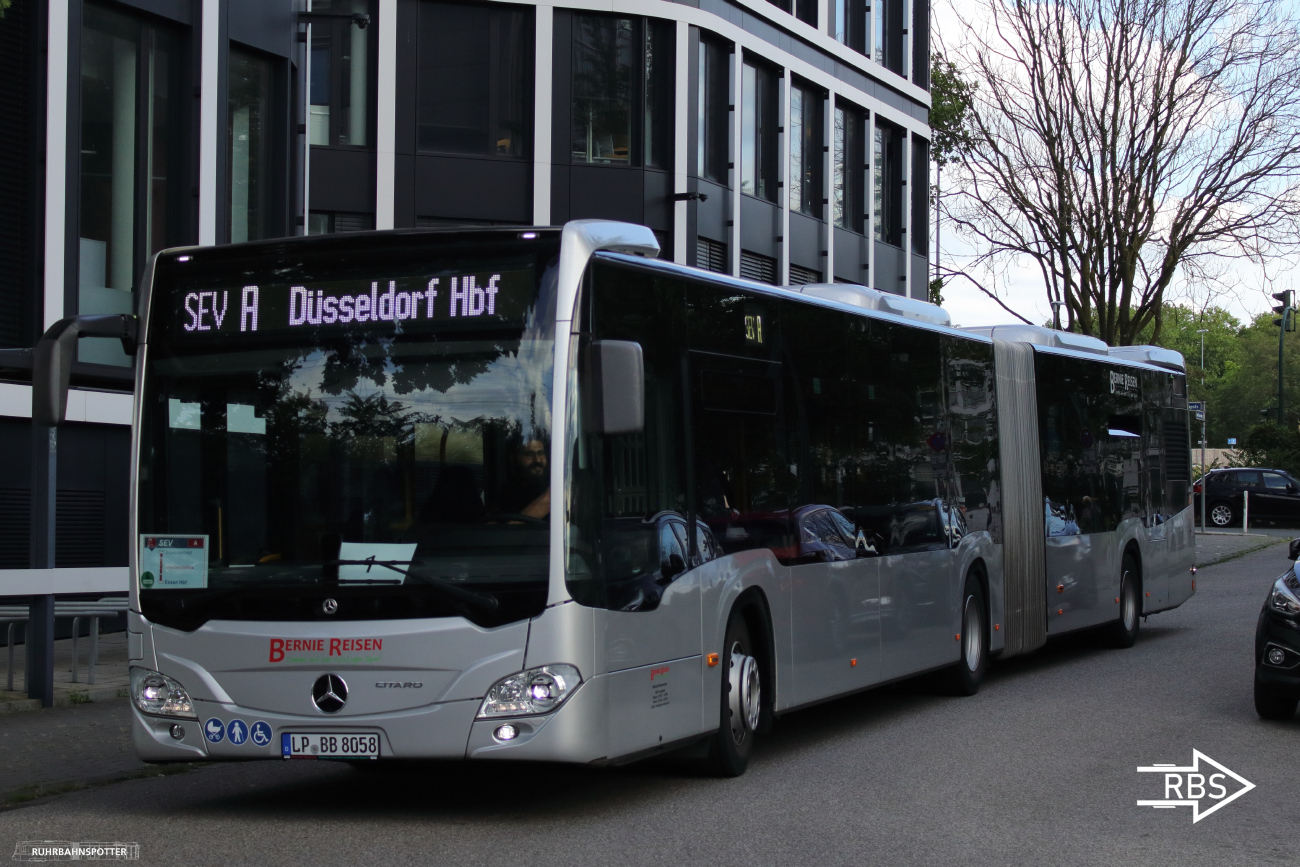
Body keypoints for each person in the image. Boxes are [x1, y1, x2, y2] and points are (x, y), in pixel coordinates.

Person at [499, 438, 550, 520]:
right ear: (514, 458)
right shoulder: (508, 490)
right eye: (529, 454)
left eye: (541, 453)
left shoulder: (555, 483)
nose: (537, 460)